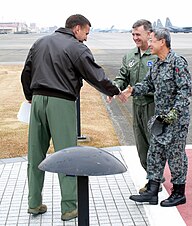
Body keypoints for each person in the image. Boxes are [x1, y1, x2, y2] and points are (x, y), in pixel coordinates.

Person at [21, 14, 125, 221]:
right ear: (77, 28)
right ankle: (69, 208)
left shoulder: (40, 42)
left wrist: (30, 97)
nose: (86, 38)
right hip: (61, 102)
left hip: (38, 101)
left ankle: (34, 203)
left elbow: (26, 73)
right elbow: (96, 75)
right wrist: (114, 91)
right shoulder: (76, 47)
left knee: (34, 153)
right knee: (67, 153)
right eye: (86, 33)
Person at [122, 28, 192, 207]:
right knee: (155, 154)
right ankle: (152, 191)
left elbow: (185, 93)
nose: (149, 44)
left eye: (152, 40)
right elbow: (147, 84)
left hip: (176, 121)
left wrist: (172, 116)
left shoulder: (177, 62)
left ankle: (179, 193)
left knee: (176, 157)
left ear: (163, 42)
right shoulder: (157, 65)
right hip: (160, 119)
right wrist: (132, 90)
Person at [107, 19, 161, 193]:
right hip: (137, 106)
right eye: (133, 35)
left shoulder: (158, 55)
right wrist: (113, 89)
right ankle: (153, 176)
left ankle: (154, 181)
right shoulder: (129, 56)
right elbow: (122, 76)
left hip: (154, 106)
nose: (135, 38)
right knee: (141, 146)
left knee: (156, 145)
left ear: (149, 34)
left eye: (138, 34)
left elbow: (163, 84)